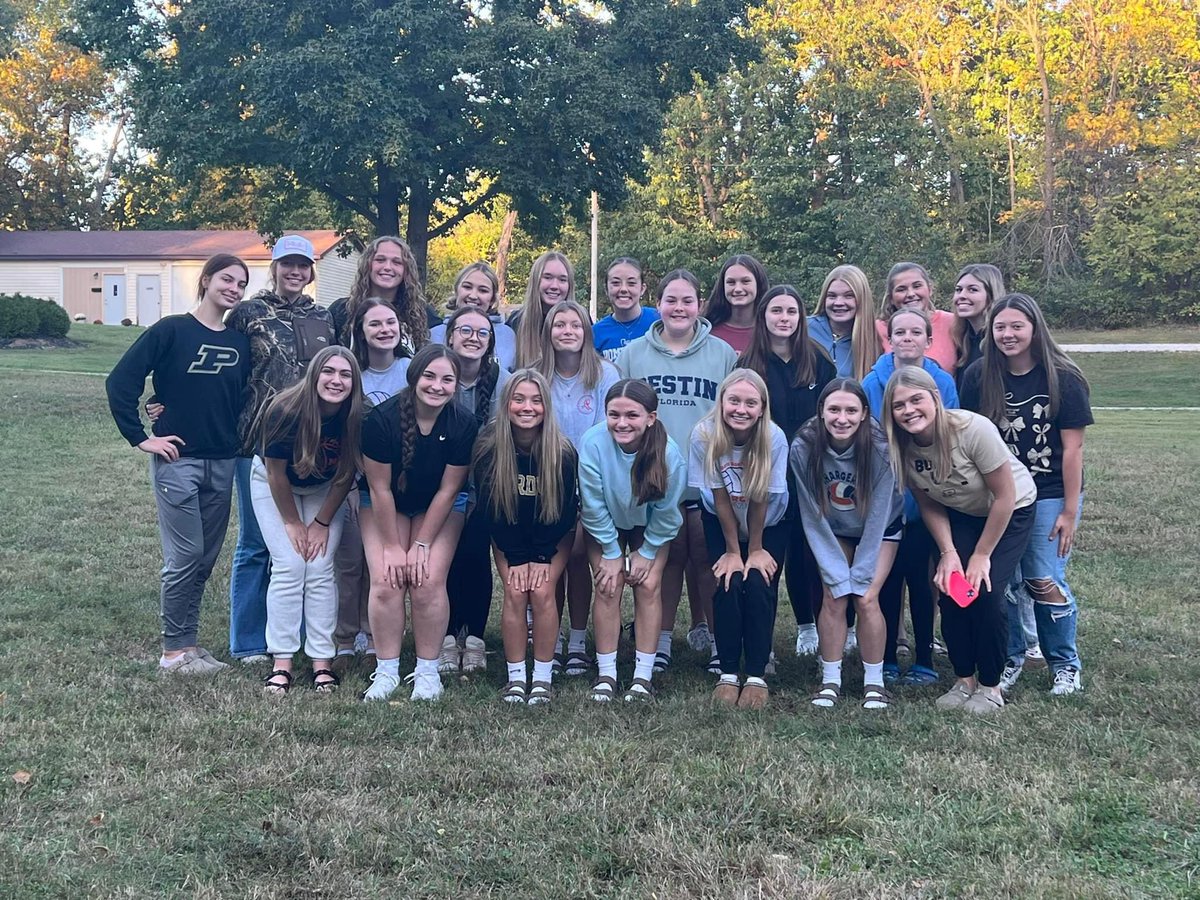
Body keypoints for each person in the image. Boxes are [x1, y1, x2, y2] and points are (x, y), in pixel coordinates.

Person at [106, 254, 251, 675]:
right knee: (184, 555)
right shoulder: (172, 330)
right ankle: (172, 653)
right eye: (227, 279)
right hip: (179, 462)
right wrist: (141, 437)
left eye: (242, 284)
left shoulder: (240, 341)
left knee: (205, 558)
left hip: (223, 461)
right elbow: (121, 380)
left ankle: (190, 646)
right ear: (205, 280)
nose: (234, 289)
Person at [960, 293, 1092, 696]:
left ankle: (1064, 663)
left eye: (1017, 326)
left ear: (1035, 328)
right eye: (1000, 327)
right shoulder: (979, 375)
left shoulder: (1064, 378)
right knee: (1003, 582)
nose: (1008, 334)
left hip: (1050, 491)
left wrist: (1069, 511)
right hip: (1001, 495)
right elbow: (967, 435)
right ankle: (1010, 657)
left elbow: (1073, 450)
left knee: (1041, 579)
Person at [884, 367, 1037, 715]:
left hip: (1010, 510)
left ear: (935, 398)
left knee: (987, 591)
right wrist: (948, 552)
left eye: (916, 399)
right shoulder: (902, 446)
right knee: (953, 590)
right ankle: (963, 678)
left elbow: (1004, 497)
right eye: (899, 405)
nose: (909, 410)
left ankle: (991, 685)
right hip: (961, 513)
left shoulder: (972, 429)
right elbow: (928, 501)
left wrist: (982, 555)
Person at [617, 269, 737, 672]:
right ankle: (661, 640)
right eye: (671, 300)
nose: (679, 308)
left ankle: (722, 643)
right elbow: (622, 415)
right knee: (662, 561)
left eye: (687, 300)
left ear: (700, 305)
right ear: (659, 303)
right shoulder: (634, 353)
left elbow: (732, 414)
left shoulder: (722, 353)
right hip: (654, 476)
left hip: (707, 479)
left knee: (707, 558)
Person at [227, 234, 337, 663]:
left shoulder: (324, 317)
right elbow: (226, 371)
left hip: (312, 444)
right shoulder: (248, 313)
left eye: (303, 265)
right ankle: (250, 640)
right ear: (274, 266)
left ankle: (307, 639)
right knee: (256, 543)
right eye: (288, 264)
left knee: (305, 553)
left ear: (311, 271)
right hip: (256, 440)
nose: (295, 272)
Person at [359, 345, 479, 702]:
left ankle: (427, 672)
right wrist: (394, 547)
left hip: (439, 506)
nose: (437, 386)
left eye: (447, 379)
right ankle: (386, 671)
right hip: (384, 504)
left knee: (426, 580)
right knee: (386, 580)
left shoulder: (463, 424)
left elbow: (449, 489)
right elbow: (379, 488)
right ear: (414, 377)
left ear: (456, 385)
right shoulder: (379, 420)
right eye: (429, 376)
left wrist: (422, 544)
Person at [253, 346, 364, 694]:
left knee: (319, 566)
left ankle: (321, 662)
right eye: (329, 372)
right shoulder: (285, 409)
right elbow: (276, 475)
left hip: (325, 487)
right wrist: (291, 523)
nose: (336, 380)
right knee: (289, 564)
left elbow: (346, 474)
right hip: (276, 485)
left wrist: (321, 522)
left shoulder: (358, 415)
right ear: (315, 374)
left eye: (345, 374)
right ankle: (282, 662)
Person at [790, 380, 903, 709]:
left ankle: (874, 683)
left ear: (865, 414)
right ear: (821, 413)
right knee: (834, 594)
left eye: (851, 410)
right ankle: (830, 680)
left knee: (866, 597)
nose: (843, 418)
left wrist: (862, 571)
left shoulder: (881, 448)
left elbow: (881, 513)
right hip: (833, 528)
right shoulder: (804, 446)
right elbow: (812, 514)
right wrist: (837, 572)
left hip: (879, 529)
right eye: (834, 410)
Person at [862, 307, 960, 686]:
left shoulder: (942, 382)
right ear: (890, 338)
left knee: (921, 580)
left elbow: (949, 432)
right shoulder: (874, 380)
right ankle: (886, 657)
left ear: (928, 339)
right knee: (887, 579)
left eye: (915, 332)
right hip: (886, 496)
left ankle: (924, 659)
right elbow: (868, 434)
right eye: (899, 332)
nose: (906, 338)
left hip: (928, 495)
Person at [737, 284, 836, 656]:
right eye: (776, 311)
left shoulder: (818, 360)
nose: (783, 318)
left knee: (809, 551)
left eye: (791, 312)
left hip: (812, 471)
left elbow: (832, 412)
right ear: (763, 317)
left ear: (801, 317)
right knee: (770, 550)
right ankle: (777, 635)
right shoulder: (749, 364)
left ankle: (815, 624)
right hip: (766, 470)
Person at [472, 371, 579, 705]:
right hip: (509, 535)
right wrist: (517, 556)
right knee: (517, 592)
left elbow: (563, 513)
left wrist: (542, 556)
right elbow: (491, 511)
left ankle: (543, 678)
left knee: (544, 592)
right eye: (519, 399)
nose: (527, 407)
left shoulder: (561, 452)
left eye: (535, 400)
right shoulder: (488, 449)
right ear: (506, 405)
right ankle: (517, 677)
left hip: (553, 536)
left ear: (546, 407)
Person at [578, 380, 686, 701]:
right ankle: (607, 673)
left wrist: (648, 550)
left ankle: (643, 676)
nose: (621, 423)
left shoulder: (669, 454)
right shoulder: (593, 443)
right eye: (614, 414)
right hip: (605, 522)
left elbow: (667, 513)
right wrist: (612, 552)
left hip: (650, 524)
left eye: (632, 415)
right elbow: (592, 504)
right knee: (608, 584)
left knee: (649, 584)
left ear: (650, 417)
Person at [689, 369, 790, 709]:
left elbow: (761, 496)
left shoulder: (773, 437)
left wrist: (756, 548)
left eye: (750, 403)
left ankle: (758, 673)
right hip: (721, 518)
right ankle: (728, 672)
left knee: (760, 583)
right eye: (734, 400)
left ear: (762, 407)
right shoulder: (704, 434)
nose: (741, 409)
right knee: (727, 580)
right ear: (721, 402)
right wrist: (734, 551)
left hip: (768, 521)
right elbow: (718, 495)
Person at [536, 300, 621, 674]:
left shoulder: (605, 374)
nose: (567, 331)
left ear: (587, 332)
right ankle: (550, 639)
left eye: (575, 325)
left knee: (581, 560)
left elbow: (612, 431)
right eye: (559, 325)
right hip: (546, 480)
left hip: (592, 481)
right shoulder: (535, 375)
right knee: (552, 561)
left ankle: (577, 640)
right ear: (548, 332)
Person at [329, 298, 407, 670]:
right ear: (360, 332)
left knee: (382, 568)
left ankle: (376, 637)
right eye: (374, 324)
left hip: (399, 488)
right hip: (351, 479)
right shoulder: (351, 372)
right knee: (349, 562)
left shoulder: (411, 371)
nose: (384, 330)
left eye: (390, 322)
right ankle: (345, 638)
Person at [438, 305, 512, 674]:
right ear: (450, 336)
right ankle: (448, 636)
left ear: (491, 342)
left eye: (482, 333)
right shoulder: (436, 374)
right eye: (465, 330)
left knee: (475, 556)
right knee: (445, 559)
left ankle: (475, 639)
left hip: (487, 483)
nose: (473, 338)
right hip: (439, 483)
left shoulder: (502, 380)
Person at [328, 235, 435, 356]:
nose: (388, 267)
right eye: (380, 260)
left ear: (406, 270)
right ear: (367, 265)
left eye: (397, 262)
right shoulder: (341, 310)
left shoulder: (423, 313)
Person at [431, 262, 517, 371]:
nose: (473, 296)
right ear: (457, 290)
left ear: (492, 299)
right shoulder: (434, 335)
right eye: (467, 287)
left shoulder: (507, 336)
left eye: (483, 290)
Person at [875, 262, 957, 373]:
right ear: (891, 298)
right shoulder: (877, 329)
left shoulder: (952, 322)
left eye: (917, 286)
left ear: (930, 289)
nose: (910, 294)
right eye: (901, 289)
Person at [808, 264, 879, 381]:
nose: (839, 302)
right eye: (832, 296)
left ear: (862, 299)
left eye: (849, 296)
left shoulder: (875, 342)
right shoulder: (804, 329)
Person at [509, 251, 574, 368]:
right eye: (548, 277)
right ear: (536, 280)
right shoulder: (516, 322)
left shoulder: (581, 323)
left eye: (562, 280)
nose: (554, 286)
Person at [593, 257, 659, 363]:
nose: (623, 289)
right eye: (616, 283)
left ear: (642, 289)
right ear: (606, 289)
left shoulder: (658, 321)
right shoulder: (596, 333)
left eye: (631, 283)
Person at [951, 263, 1007, 388]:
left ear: (991, 295)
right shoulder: (960, 339)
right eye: (958, 290)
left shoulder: (1001, 340)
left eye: (973, 290)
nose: (962, 296)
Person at [705, 254, 771, 354]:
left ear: (758, 283)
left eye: (745, 281)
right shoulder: (707, 332)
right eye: (731, 282)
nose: (738, 289)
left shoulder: (772, 332)